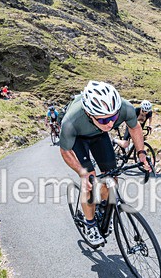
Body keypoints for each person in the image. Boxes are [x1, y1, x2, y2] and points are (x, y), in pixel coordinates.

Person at [59, 81, 151, 246]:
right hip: (79, 139)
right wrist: (82, 173)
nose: (110, 123)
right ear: (89, 114)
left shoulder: (124, 107)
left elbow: (135, 127)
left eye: (113, 118)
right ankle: (90, 224)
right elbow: (65, 151)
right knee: (90, 181)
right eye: (104, 119)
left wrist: (141, 154)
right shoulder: (71, 121)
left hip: (100, 136)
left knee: (111, 179)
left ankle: (102, 207)